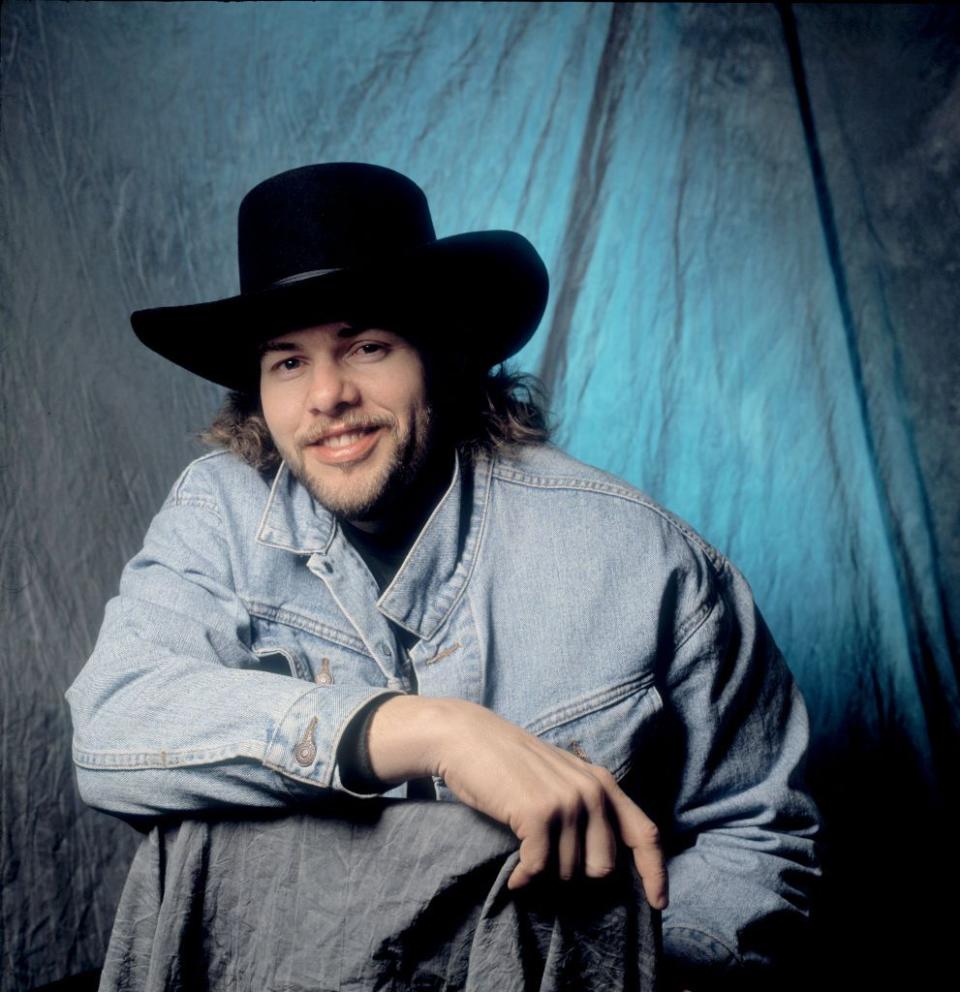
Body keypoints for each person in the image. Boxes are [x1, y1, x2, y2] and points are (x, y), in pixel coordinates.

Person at [67, 163, 819, 990]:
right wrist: (431, 732)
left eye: (368, 346)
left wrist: (619, 969)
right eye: (288, 362)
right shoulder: (217, 513)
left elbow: (760, 835)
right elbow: (111, 726)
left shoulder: (643, 561)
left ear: (447, 351)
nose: (327, 395)